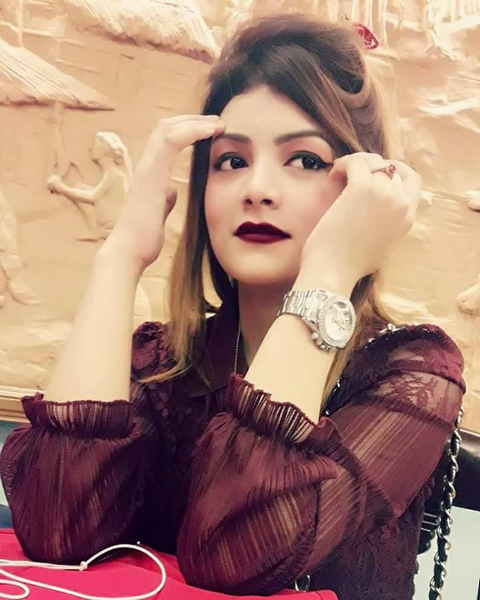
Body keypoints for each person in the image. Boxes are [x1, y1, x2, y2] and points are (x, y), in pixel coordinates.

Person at [0, 14, 465, 600]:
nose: (257, 189)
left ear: (365, 189)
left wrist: (330, 271)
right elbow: (55, 532)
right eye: (231, 161)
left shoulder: (409, 372)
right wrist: (120, 256)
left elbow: (236, 556)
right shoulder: (163, 360)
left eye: (306, 160)